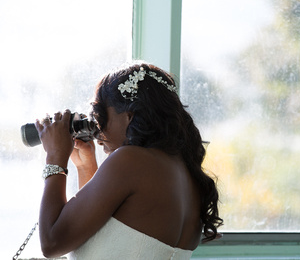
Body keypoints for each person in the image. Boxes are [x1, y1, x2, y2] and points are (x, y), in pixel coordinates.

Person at [35, 61, 223, 259]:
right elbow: (110, 231)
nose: (98, 131)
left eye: (100, 116)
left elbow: (52, 243)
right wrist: (85, 166)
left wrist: (55, 157)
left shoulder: (130, 161)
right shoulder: (188, 176)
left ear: (129, 116)